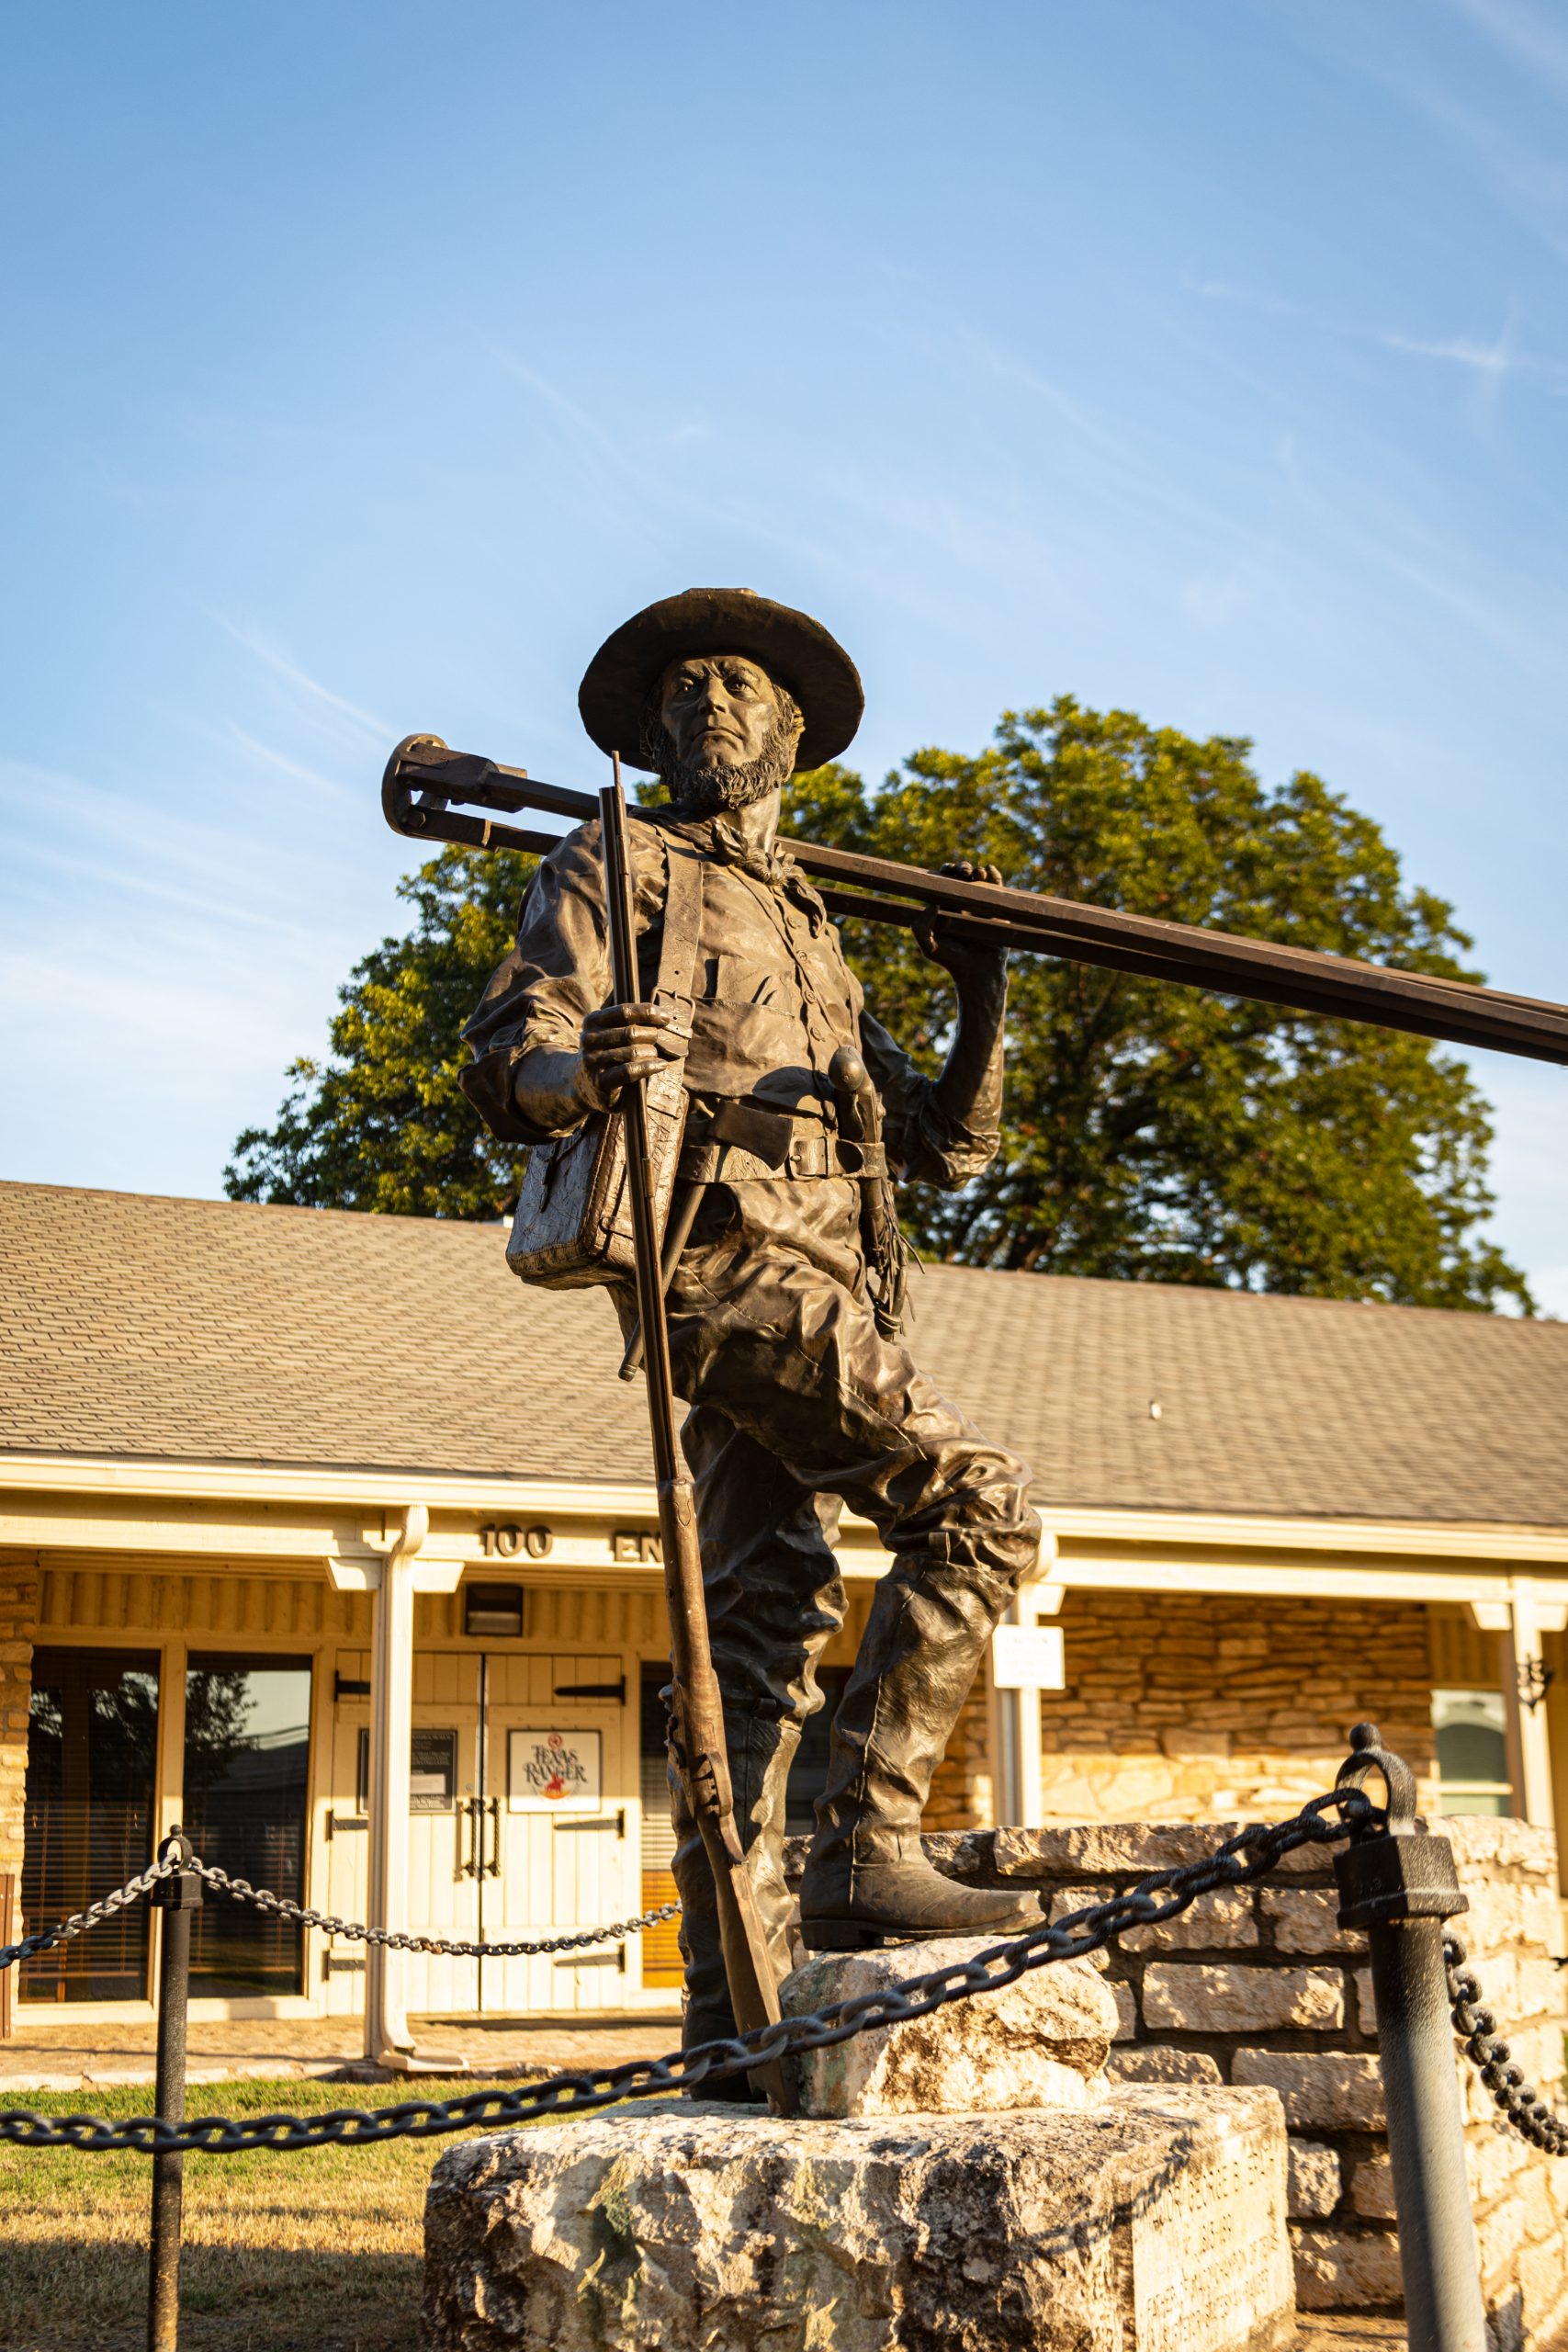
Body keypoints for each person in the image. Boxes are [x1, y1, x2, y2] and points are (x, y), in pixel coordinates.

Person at [460, 588, 1043, 2058]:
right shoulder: (626, 858)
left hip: (833, 1272)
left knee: (760, 1641)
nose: (713, 703)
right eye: (689, 688)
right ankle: (869, 1839)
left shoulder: (811, 924)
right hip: (719, 1259)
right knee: (977, 1508)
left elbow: (939, 1141)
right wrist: (577, 1071)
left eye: (742, 687)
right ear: (656, 729)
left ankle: (730, 2031)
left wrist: (981, 997)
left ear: (788, 731)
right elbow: (511, 1043)